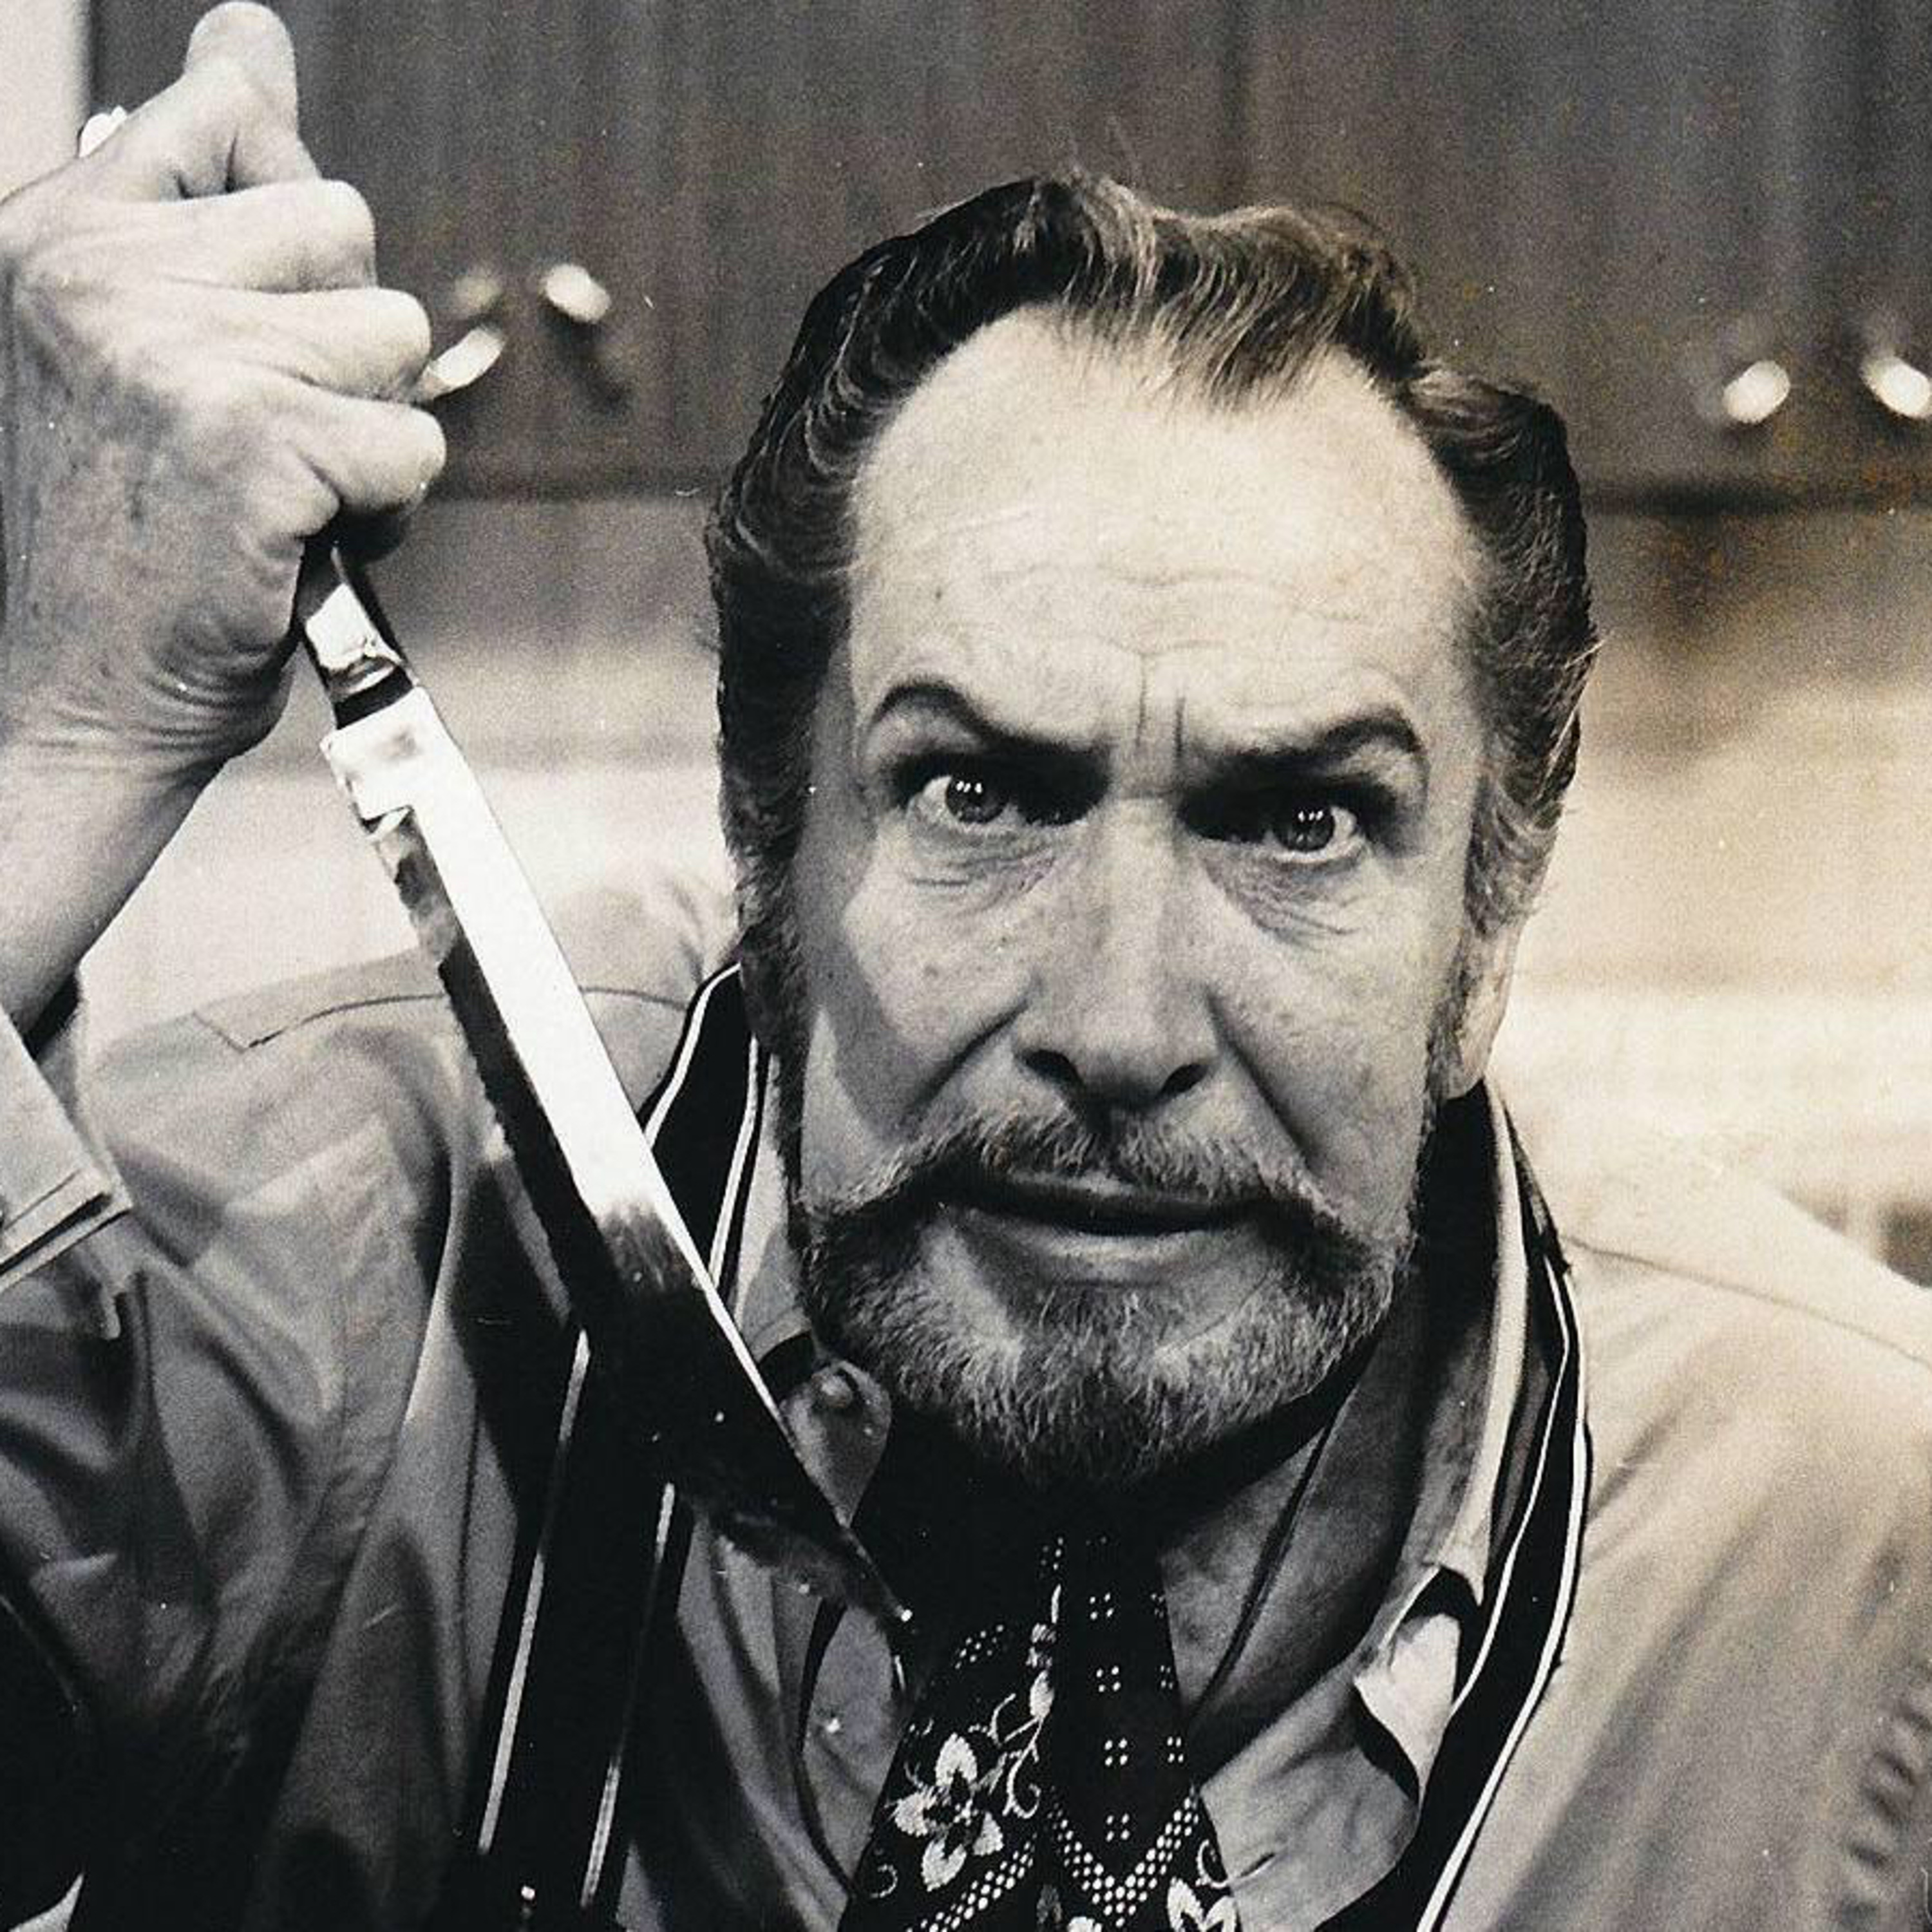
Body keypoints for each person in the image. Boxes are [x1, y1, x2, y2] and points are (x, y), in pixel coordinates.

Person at [3, 10, 1931, 1931]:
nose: (1120, 1028)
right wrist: (55, 747)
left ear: (1491, 922)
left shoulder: (1862, 1542)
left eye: (1301, 823)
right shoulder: (367, 1246)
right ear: (767, 843)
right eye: (978, 795)